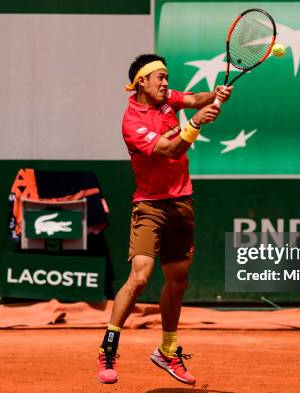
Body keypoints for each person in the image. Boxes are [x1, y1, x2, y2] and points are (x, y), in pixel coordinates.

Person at [96, 54, 232, 385]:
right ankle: (108, 348)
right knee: (140, 277)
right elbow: (169, 149)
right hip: (150, 206)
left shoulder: (168, 100)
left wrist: (215, 94)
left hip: (182, 202)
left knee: (178, 281)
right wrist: (196, 122)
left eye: (167, 76)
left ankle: (167, 351)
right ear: (141, 82)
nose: (165, 82)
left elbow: (194, 98)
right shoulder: (131, 121)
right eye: (159, 77)